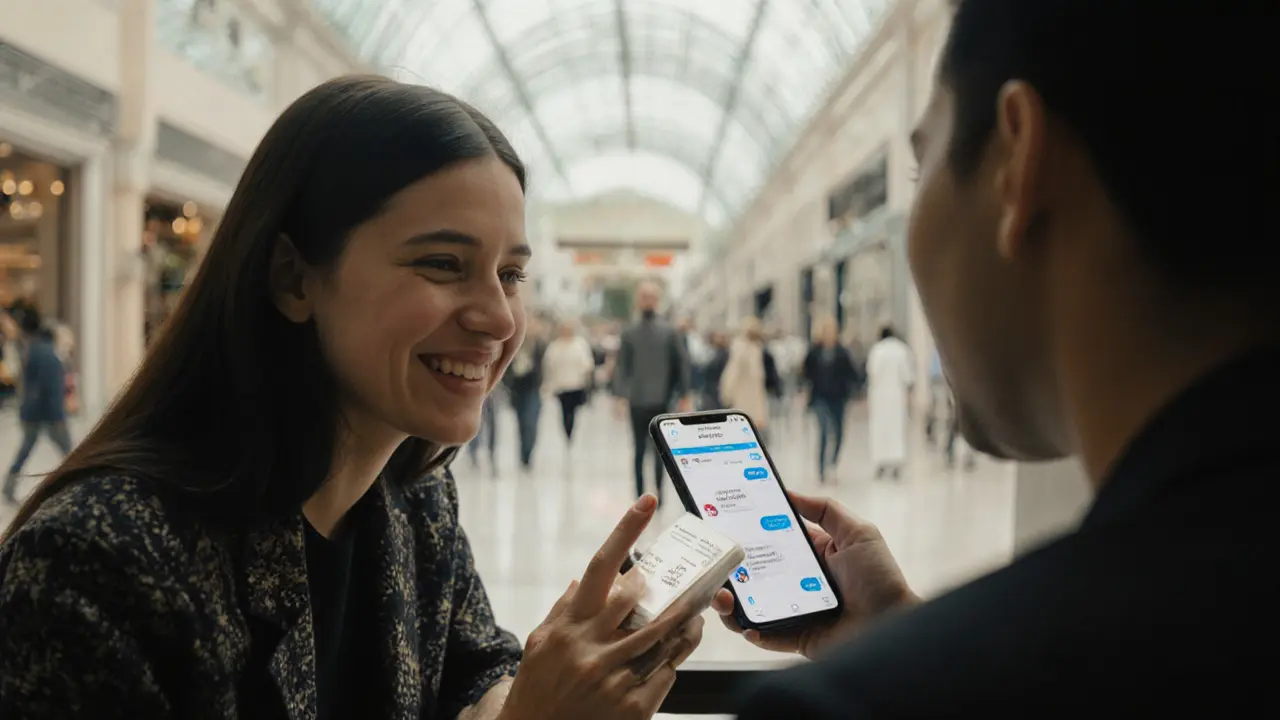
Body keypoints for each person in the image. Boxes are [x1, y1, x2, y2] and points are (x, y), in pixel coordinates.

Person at [0, 76, 705, 719]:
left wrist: (568, 673)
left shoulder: (411, 498)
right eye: (442, 264)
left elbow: (472, 673)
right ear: (293, 278)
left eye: (511, 273)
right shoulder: (97, 563)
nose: (498, 318)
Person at [714, 1, 1277, 716]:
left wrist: (903, 670)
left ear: (1018, 160)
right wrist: (897, 636)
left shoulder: (846, 706)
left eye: (922, 170)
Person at [614, 281, 691, 504]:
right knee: (638, 449)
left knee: (660, 451)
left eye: (651, 296)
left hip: (662, 399)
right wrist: (620, 396)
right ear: (639, 300)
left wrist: (684, 394)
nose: (647, 300)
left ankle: (659, 493)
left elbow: (681, 364)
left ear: (657, 300)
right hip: (637, 400)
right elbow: (622, 365)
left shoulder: (669, 331)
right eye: (643, 296)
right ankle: (639, 495)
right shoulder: (629, 332)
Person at [3, 310, 73, 504]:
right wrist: (57, 416)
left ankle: (8, 486)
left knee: (26, 448)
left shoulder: (34, 348)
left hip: (31, 411)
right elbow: (49, 387)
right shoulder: (48, 353)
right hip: (46, 413)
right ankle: (77, 483)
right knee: (70, 451)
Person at [802, 316, 860, 483]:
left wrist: (854, 389)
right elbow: (806, 373)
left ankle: (832, 464)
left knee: (839, 432)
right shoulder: (814, 352)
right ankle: (821, 469)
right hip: (819, 398)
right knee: (824, 432)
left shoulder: (842, 352)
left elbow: (851, 373)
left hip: (838, 398)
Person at [718, 317, 780, 444]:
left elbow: (731, 376)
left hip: (747, 401)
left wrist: (726, 395)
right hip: (749, 400)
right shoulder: (749, 350)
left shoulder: (745, 349)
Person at [864, 326, 914, 478]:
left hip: (879, 397)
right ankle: (897, 462)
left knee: (880, 429)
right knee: (896, 428)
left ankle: (881, 462)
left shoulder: (877, 350)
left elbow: (872, 372)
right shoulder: (902, 350)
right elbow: (908, 376)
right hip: (896, 396)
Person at [541, 320, 595, 447]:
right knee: (565, 413)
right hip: (561, 386)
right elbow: (549, 366)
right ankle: (567, 434)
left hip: (576, 385)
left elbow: (587, 364)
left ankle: (573, 434)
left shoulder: (579, 344)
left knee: (574, 412)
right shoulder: (554, 347)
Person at [503, 318, 545, 470]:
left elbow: (544, 366)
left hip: (533, 388)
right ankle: (522, 454)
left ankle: (528, 452)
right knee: (521, 423)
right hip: (517, 389)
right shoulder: (513, 347)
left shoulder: (539, 345)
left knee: (531, 422)